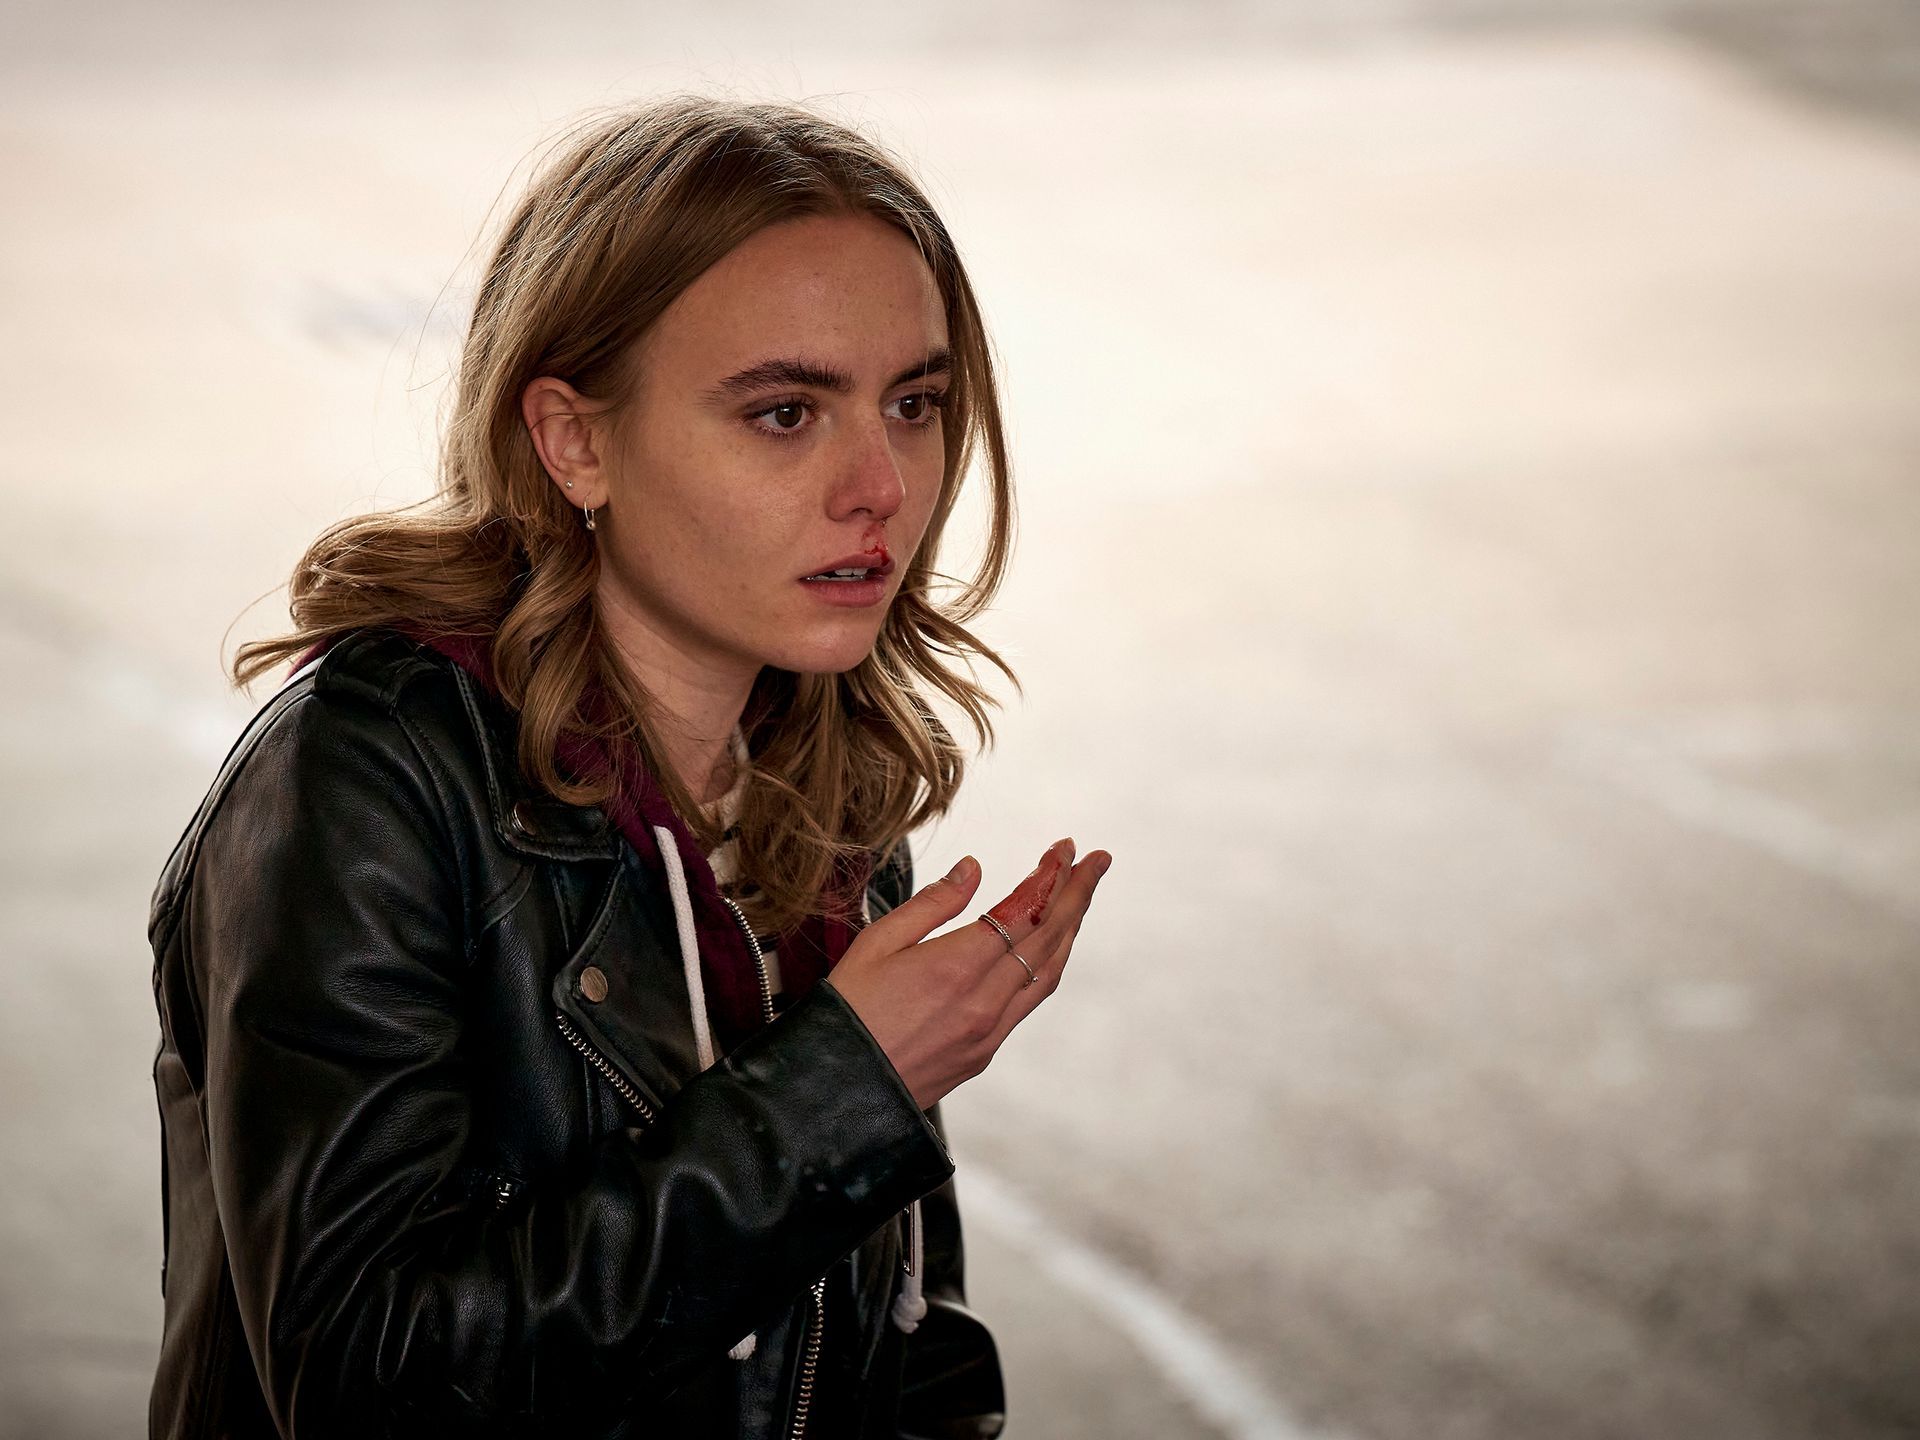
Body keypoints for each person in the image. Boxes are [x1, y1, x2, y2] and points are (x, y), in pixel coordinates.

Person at [145, 93, 1112, 1440]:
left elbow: (902, 1343)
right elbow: (369, 1389)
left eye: (913, 404)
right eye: (786, 413)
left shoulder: (816, 781)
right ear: (576, 441)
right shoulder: (365, 783)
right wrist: (841, 1097)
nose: (881, 486)